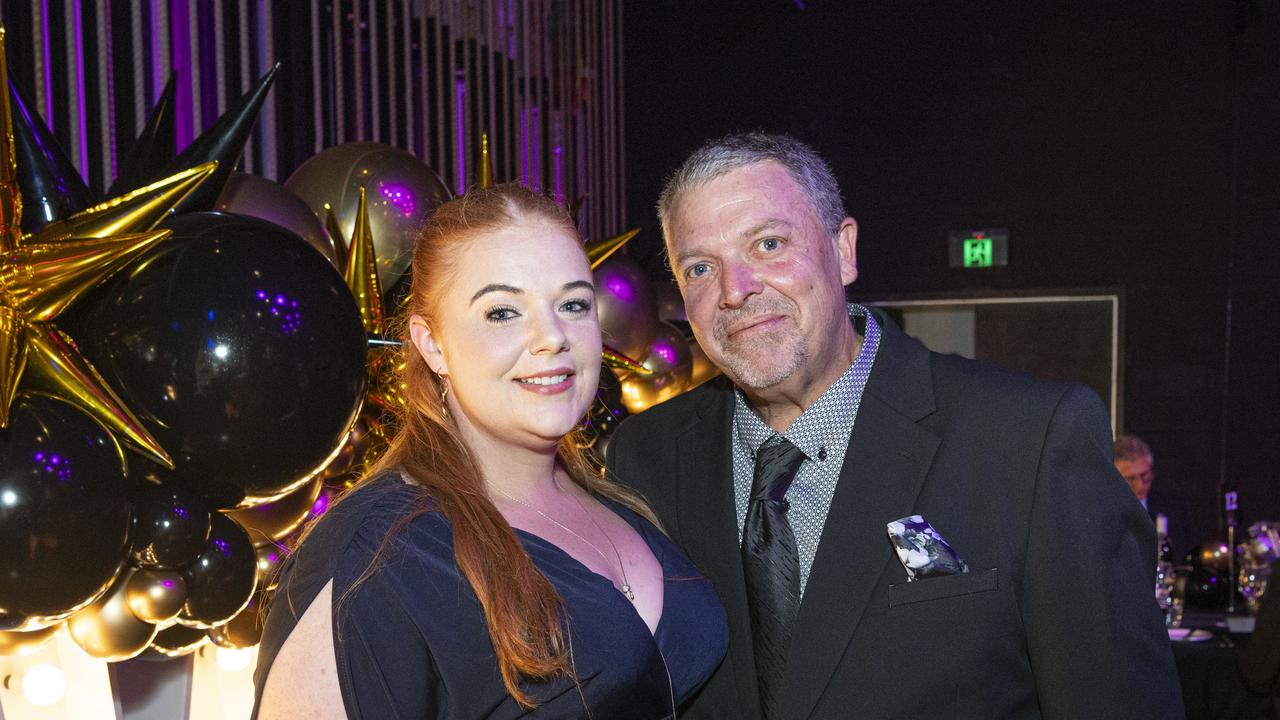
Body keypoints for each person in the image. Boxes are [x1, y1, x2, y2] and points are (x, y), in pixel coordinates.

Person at [607, 132, 1184, 719]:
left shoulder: (1027, 440)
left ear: (844, 251)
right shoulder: (645, 459)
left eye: (769, 244)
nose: (735, 290)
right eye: (700, 267)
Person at [252, 184, 727, 719]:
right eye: (503, 312)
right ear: (432, 344)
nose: (552, 337)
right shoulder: (376, 552)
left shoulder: (625, 499)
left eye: (573, 304)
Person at [1114, 433, 1199, 563]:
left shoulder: (1175, 510)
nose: (1140, 485)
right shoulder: (1098, 513)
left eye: (1144, 476)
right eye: (1131, 479)